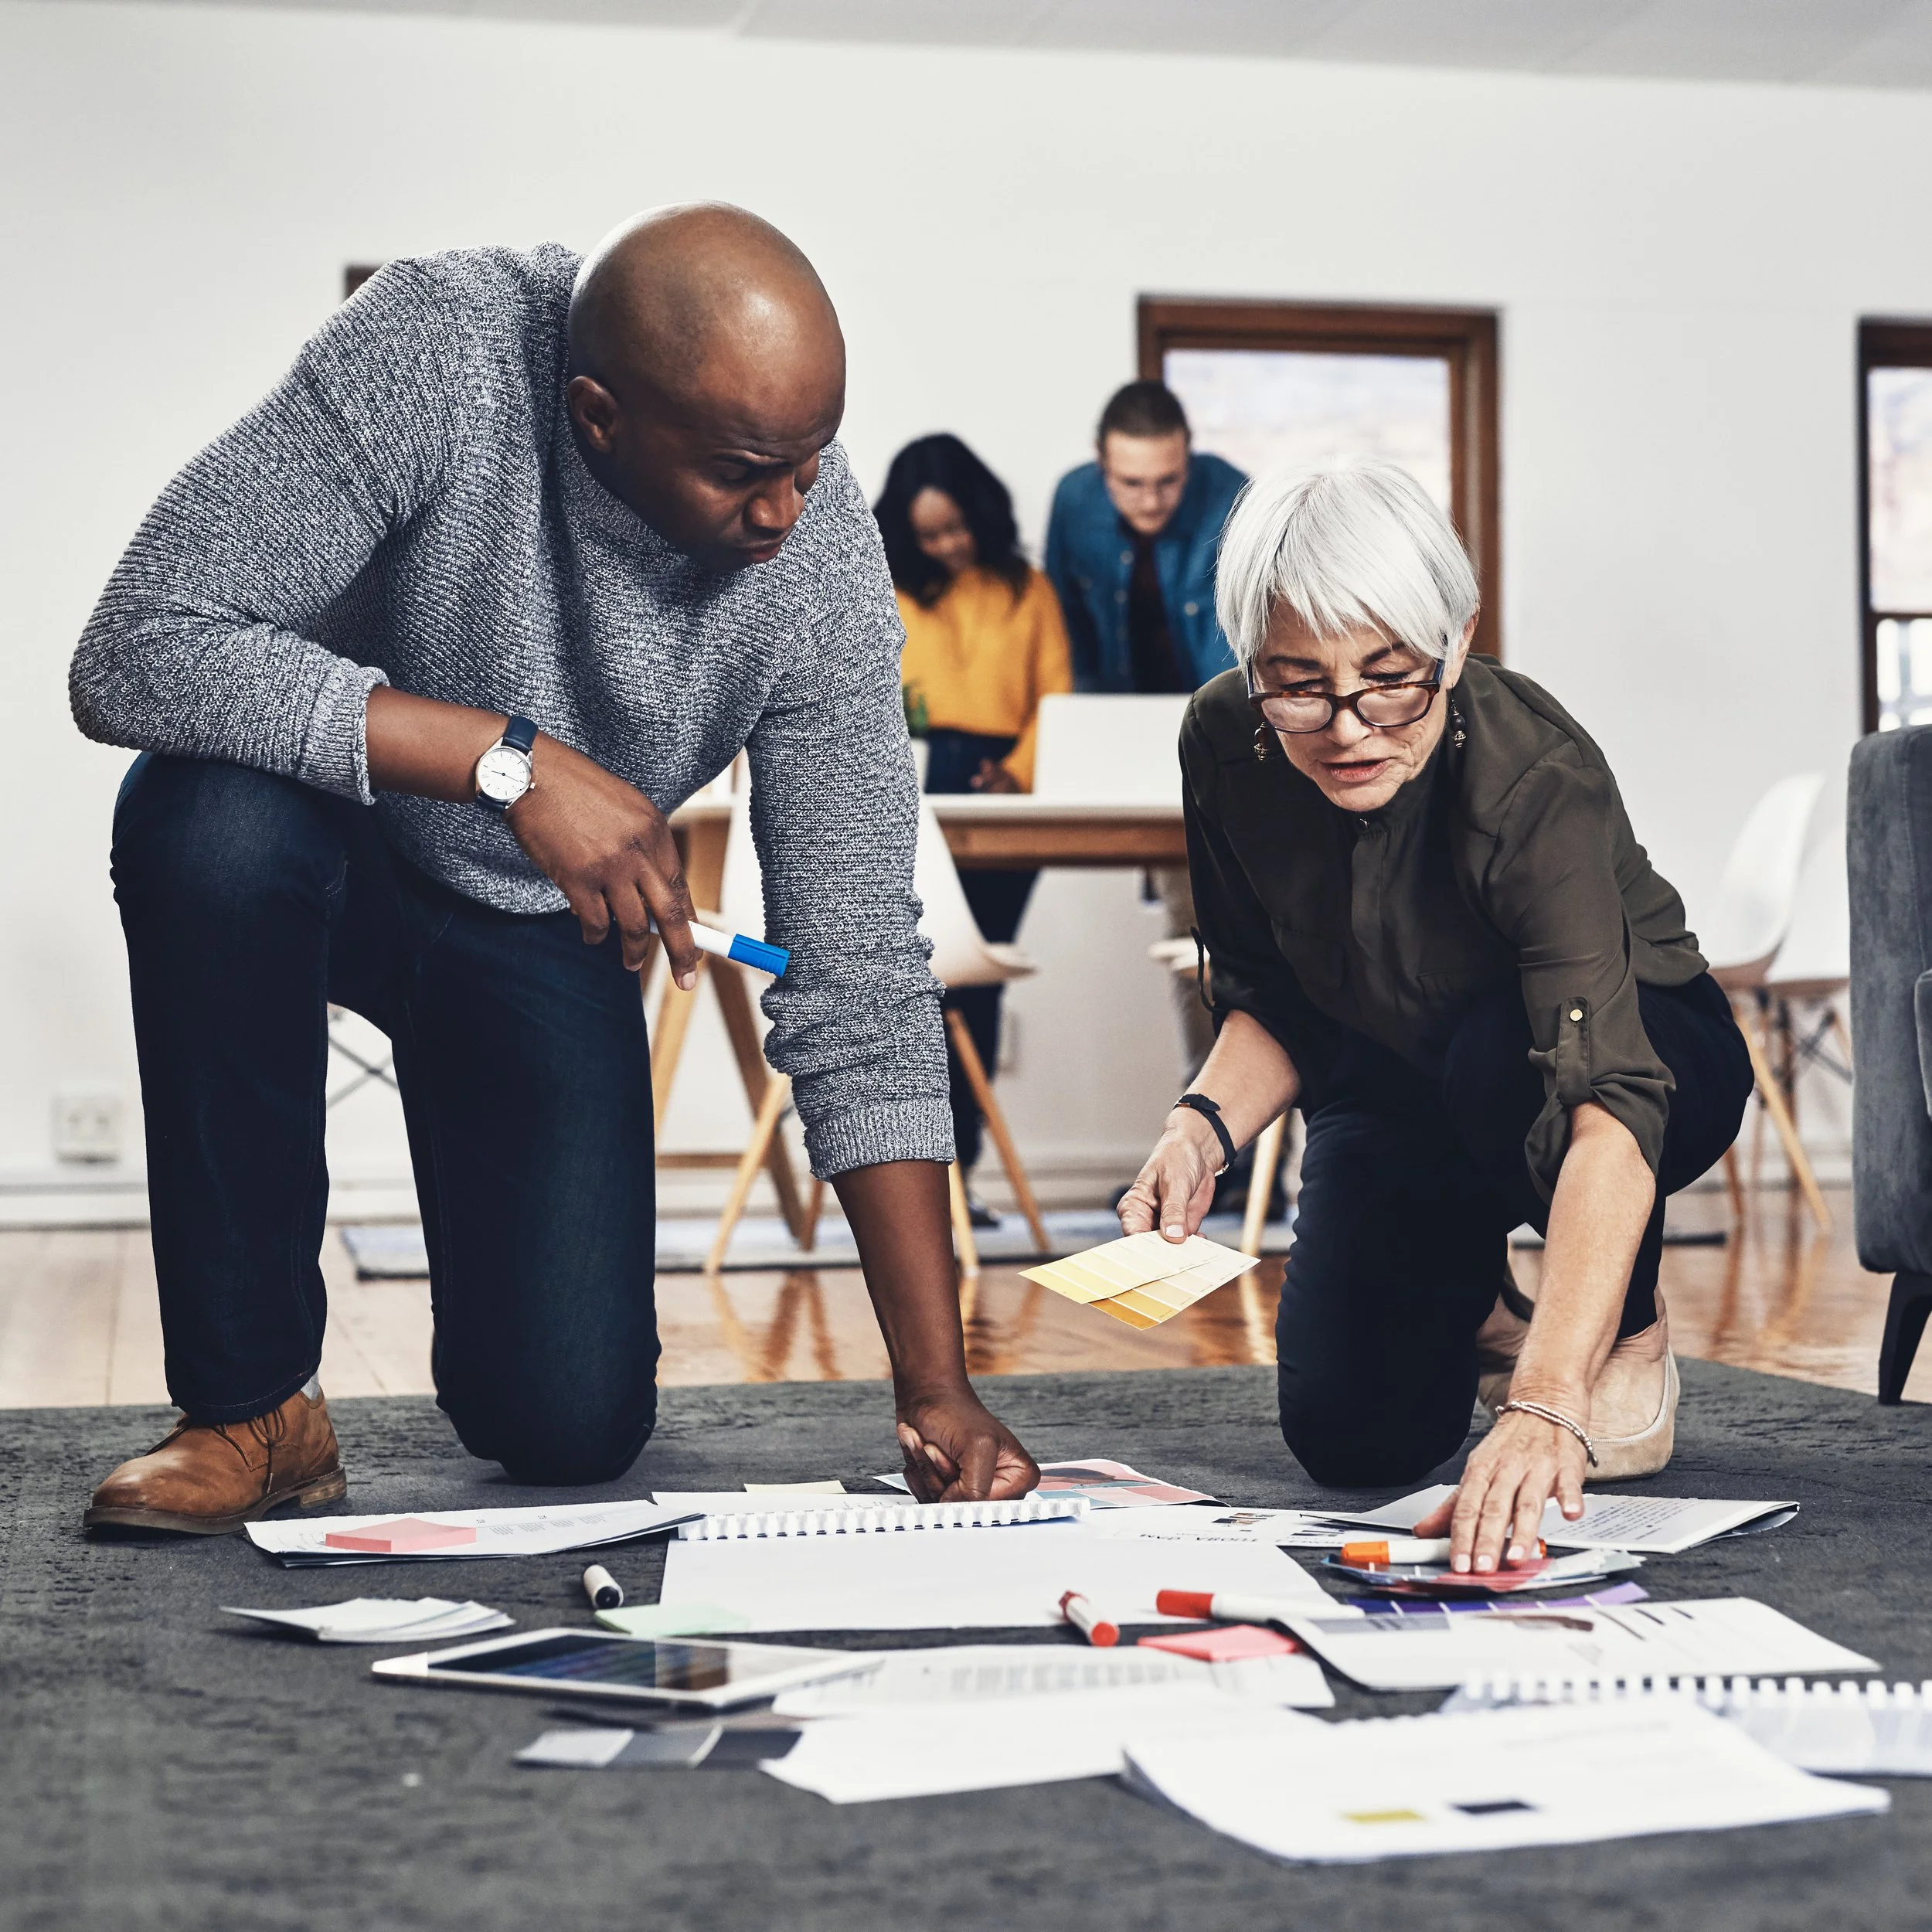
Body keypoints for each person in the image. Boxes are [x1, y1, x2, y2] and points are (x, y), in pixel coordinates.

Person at [69, 204, 1037, 1533]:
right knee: (204, 828)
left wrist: (937, 1385)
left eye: (813, 463)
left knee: (569, 1426)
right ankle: (252, 1407)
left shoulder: (817, 557)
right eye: (746, 468)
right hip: (326, 837)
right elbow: (138, 644)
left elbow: (855, 964)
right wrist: (506, 760)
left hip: (532, 925)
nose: (784, 511)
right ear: (596, 416)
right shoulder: (437, 351)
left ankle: (510, 1360)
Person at [1117, 461, 1752, 1576]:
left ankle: (1627, 1327)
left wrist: (1549, 1402)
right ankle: (1504, 1309)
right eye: (1299, 684)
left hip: (1634, 1051)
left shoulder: (1534, 777)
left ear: (1455, 643)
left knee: (1495, 1064)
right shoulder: (1226, 743)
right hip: (1395, 1060)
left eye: (1389, 678)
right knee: (1352, 1435)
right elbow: (1272, 998)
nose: (1348, 727)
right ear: (1250, 667)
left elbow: (1604, 1094)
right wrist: (1200, 1128)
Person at [875, 434, 1072, 1217]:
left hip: (1004, 787)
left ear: (981, 515)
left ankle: (961, 1173)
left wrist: (1016, 768)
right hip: (910, 780)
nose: (948, 544)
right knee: (906, 984)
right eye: (930, 534)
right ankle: (906, 1181)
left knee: (971, 981)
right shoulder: (882, 588)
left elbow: (1053, 696)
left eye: (957, 527)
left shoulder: (1028, 587)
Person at [1045, 380, 1247, 1097]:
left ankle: (1229, 1134)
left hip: (1220, 747)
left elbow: (1240, 652)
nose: (1152, 500)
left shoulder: (1233, 499)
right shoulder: (1073, 503)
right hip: (1115, 747)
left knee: (1220, 935)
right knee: (1193, 933)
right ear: (1102, 466)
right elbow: (1066, 629)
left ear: (1189, 459)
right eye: (1132, 484)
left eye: (1168, 481)